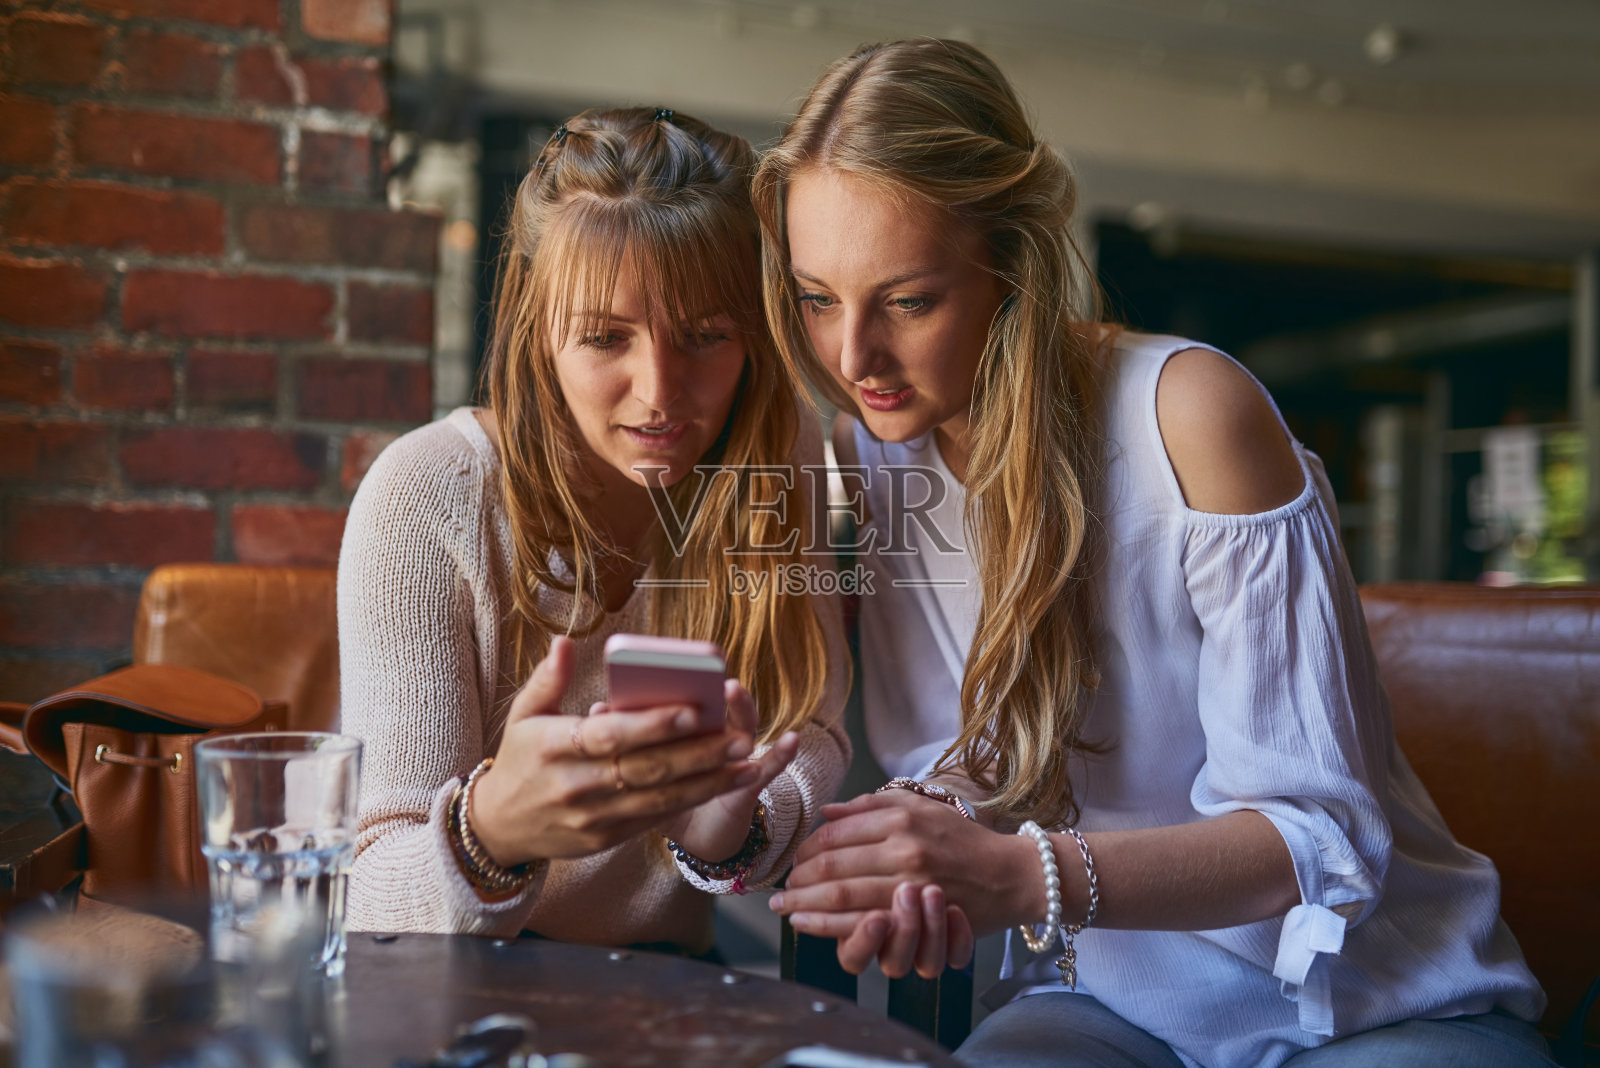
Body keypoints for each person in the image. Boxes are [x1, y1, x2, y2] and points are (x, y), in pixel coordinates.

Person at [753, 40, 1552, 1067]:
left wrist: (1018, 877)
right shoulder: (873, 449)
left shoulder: (1191, 414)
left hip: (1372, 1002)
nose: (852, 356)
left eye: (906, 301)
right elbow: (968, 763)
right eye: (818, 298)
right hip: (1106, 1003)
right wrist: (920, 842)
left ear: (1011, 264)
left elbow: (1314, 837)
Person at [338, 106, 848, 954]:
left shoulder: (777, 447)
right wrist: (491, 829)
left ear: (753, 334)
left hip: (670, 982)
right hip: (454, 987)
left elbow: (813, 725)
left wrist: (736, 826)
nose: (659, 391)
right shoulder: (426, 494)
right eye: (606, 338)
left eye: (705, 336)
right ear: (541, 332)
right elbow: (372, 888)